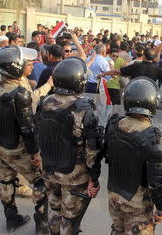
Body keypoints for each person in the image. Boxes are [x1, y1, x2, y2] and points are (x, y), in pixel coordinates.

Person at [0, 46, 53, 232]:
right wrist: (36, 153)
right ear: (15, 68)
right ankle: (42, 224)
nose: (29, 65)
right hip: (18, 148)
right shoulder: (20, 95)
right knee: (40, 182)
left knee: (6, 180)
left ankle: (11, 218)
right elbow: (28, 129)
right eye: (26, 63)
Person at [37, 57, 103, 234]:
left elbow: (39, 133)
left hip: (49, 168)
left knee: (55, 208)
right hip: (74, 174)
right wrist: (94, 178)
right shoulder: (85, 108)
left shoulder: (44, 102)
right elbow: (92, 151)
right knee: (70, 217)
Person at [103, 77, 162, 234]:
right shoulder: (153, 138)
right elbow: (156, 182)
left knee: (117, 230)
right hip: (137, 201)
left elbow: (104, 153)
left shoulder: (114, 124)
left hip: (114, 194)